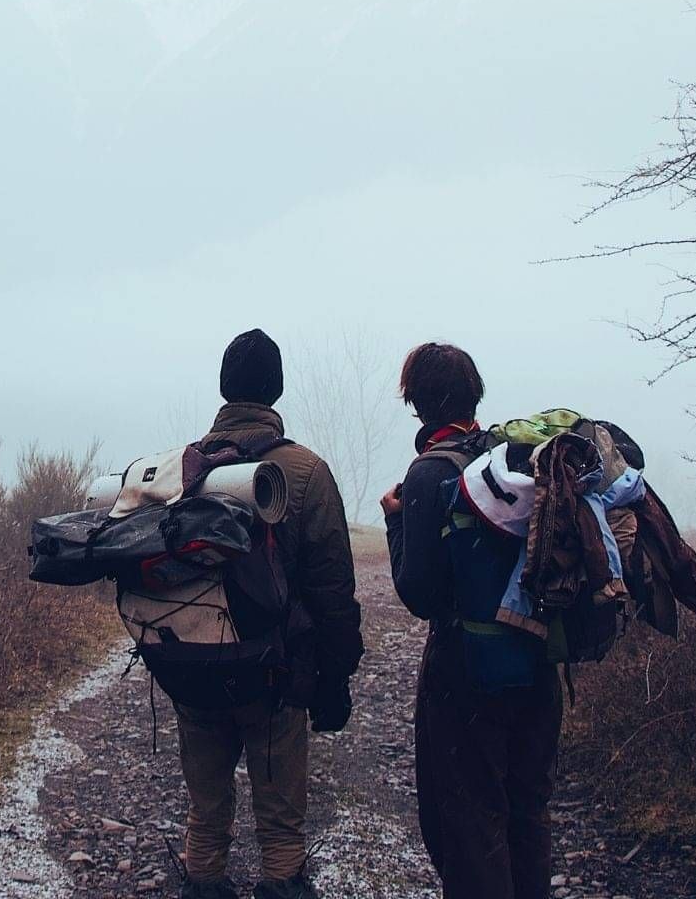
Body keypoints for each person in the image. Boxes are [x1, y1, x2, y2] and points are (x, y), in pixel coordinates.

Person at [175, 329, 363, 899]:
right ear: (276, 391)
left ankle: (203, 885)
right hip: (274, 678)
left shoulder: (183, 470)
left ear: (224, 388)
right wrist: (335, 676)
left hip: (194, 670)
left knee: (206, 815)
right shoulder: (305, 472)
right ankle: (281, 886)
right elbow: (333, 589)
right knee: (281, 824)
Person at [380, 342, 558, 899]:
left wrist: (395, 523)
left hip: (465, 673)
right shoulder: (512, 458)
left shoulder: (428, 472)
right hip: (536, 659)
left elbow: (420, 594)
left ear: (417, 404)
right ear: (473, 394)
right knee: (526, 811)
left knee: (469, 823)